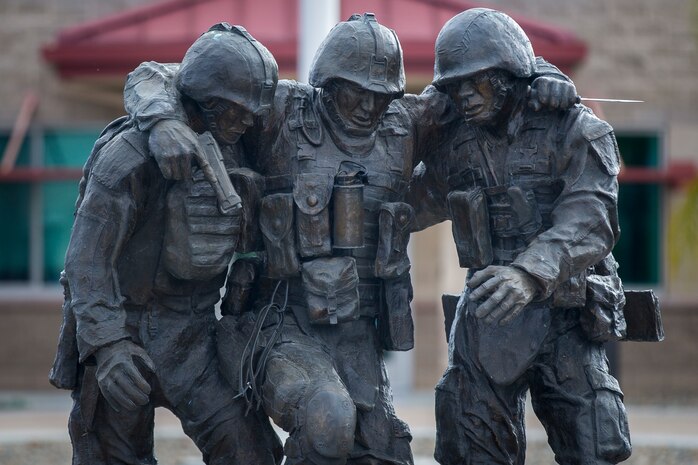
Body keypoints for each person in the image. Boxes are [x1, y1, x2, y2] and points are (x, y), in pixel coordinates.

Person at [121, 13, 577, 465]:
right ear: (328, 84)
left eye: (380, 96)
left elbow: (485, 77)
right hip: (279, 321)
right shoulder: (280, 112)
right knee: (327, 422)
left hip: (356, 334)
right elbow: (159, 76)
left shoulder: (406, 122)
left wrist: (541, 74)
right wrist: (162, 122)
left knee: (383, 455)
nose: (368, 108)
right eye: (355, 93)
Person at [49, 23, 283, 465]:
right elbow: (86, 263)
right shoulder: (129, 156)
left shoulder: (235, 150)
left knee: (249, 451)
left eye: (252, 112)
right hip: (125, 331)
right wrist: (109, 346)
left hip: (195, 335)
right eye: (237, 110)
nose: (248, 121)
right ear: (205, 100)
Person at [410, 8, 631, 465]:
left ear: (511, 75)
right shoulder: (454, 141)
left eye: (478, 82)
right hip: (488, 319)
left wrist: (529, 274)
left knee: (596, 446)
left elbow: (592, 217)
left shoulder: (574, 128)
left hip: (567, 318)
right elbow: (408, 203)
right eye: (455, 87)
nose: (466, 96)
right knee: (470, 449)